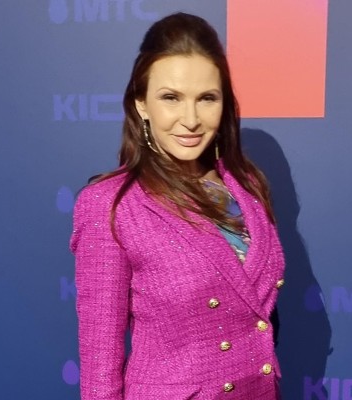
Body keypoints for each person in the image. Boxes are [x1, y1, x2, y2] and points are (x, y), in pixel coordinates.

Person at [70, 12, 285, 400]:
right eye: (171, 98)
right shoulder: (110, 205)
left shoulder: (247, 184)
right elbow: (101, 360)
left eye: (207, 99)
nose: (191, 120)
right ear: (142, 104)